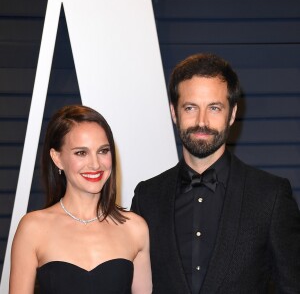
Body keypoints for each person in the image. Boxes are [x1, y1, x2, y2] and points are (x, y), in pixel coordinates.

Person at [131, 53, 300, 293]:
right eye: (190, 108)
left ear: (231, 114)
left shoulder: (270, 196)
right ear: (173, 112)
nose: (202, 121)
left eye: (214, 108)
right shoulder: (147, 196)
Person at [10, 105, 152, 294]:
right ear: (57, 158)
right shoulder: (33, 228)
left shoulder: (135, 228)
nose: (95, 164)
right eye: (81, 153)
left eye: (103, 151)